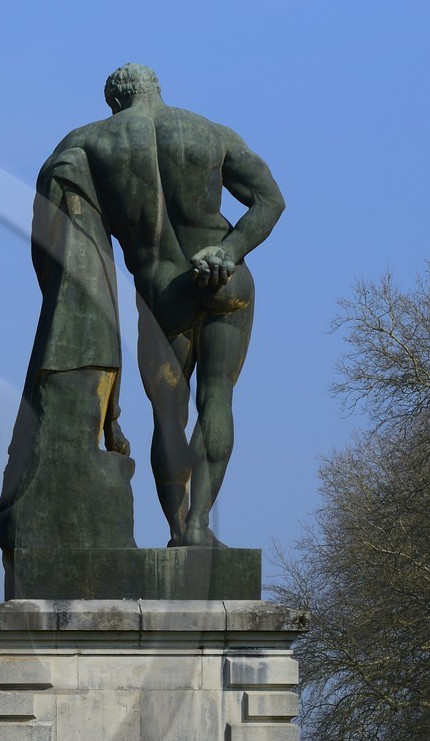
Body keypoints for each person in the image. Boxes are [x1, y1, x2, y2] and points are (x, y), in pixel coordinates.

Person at [37, 63, 284, 546]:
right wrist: (228, 251)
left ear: (114, 102)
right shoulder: (210, 132)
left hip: (161, 294)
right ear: (156, 90)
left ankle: (175, 529)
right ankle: (199, 527)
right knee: (218, 398)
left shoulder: (86, 143)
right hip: (225, 280)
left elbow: (54, 224)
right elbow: (270, 200)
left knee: (168, 415)